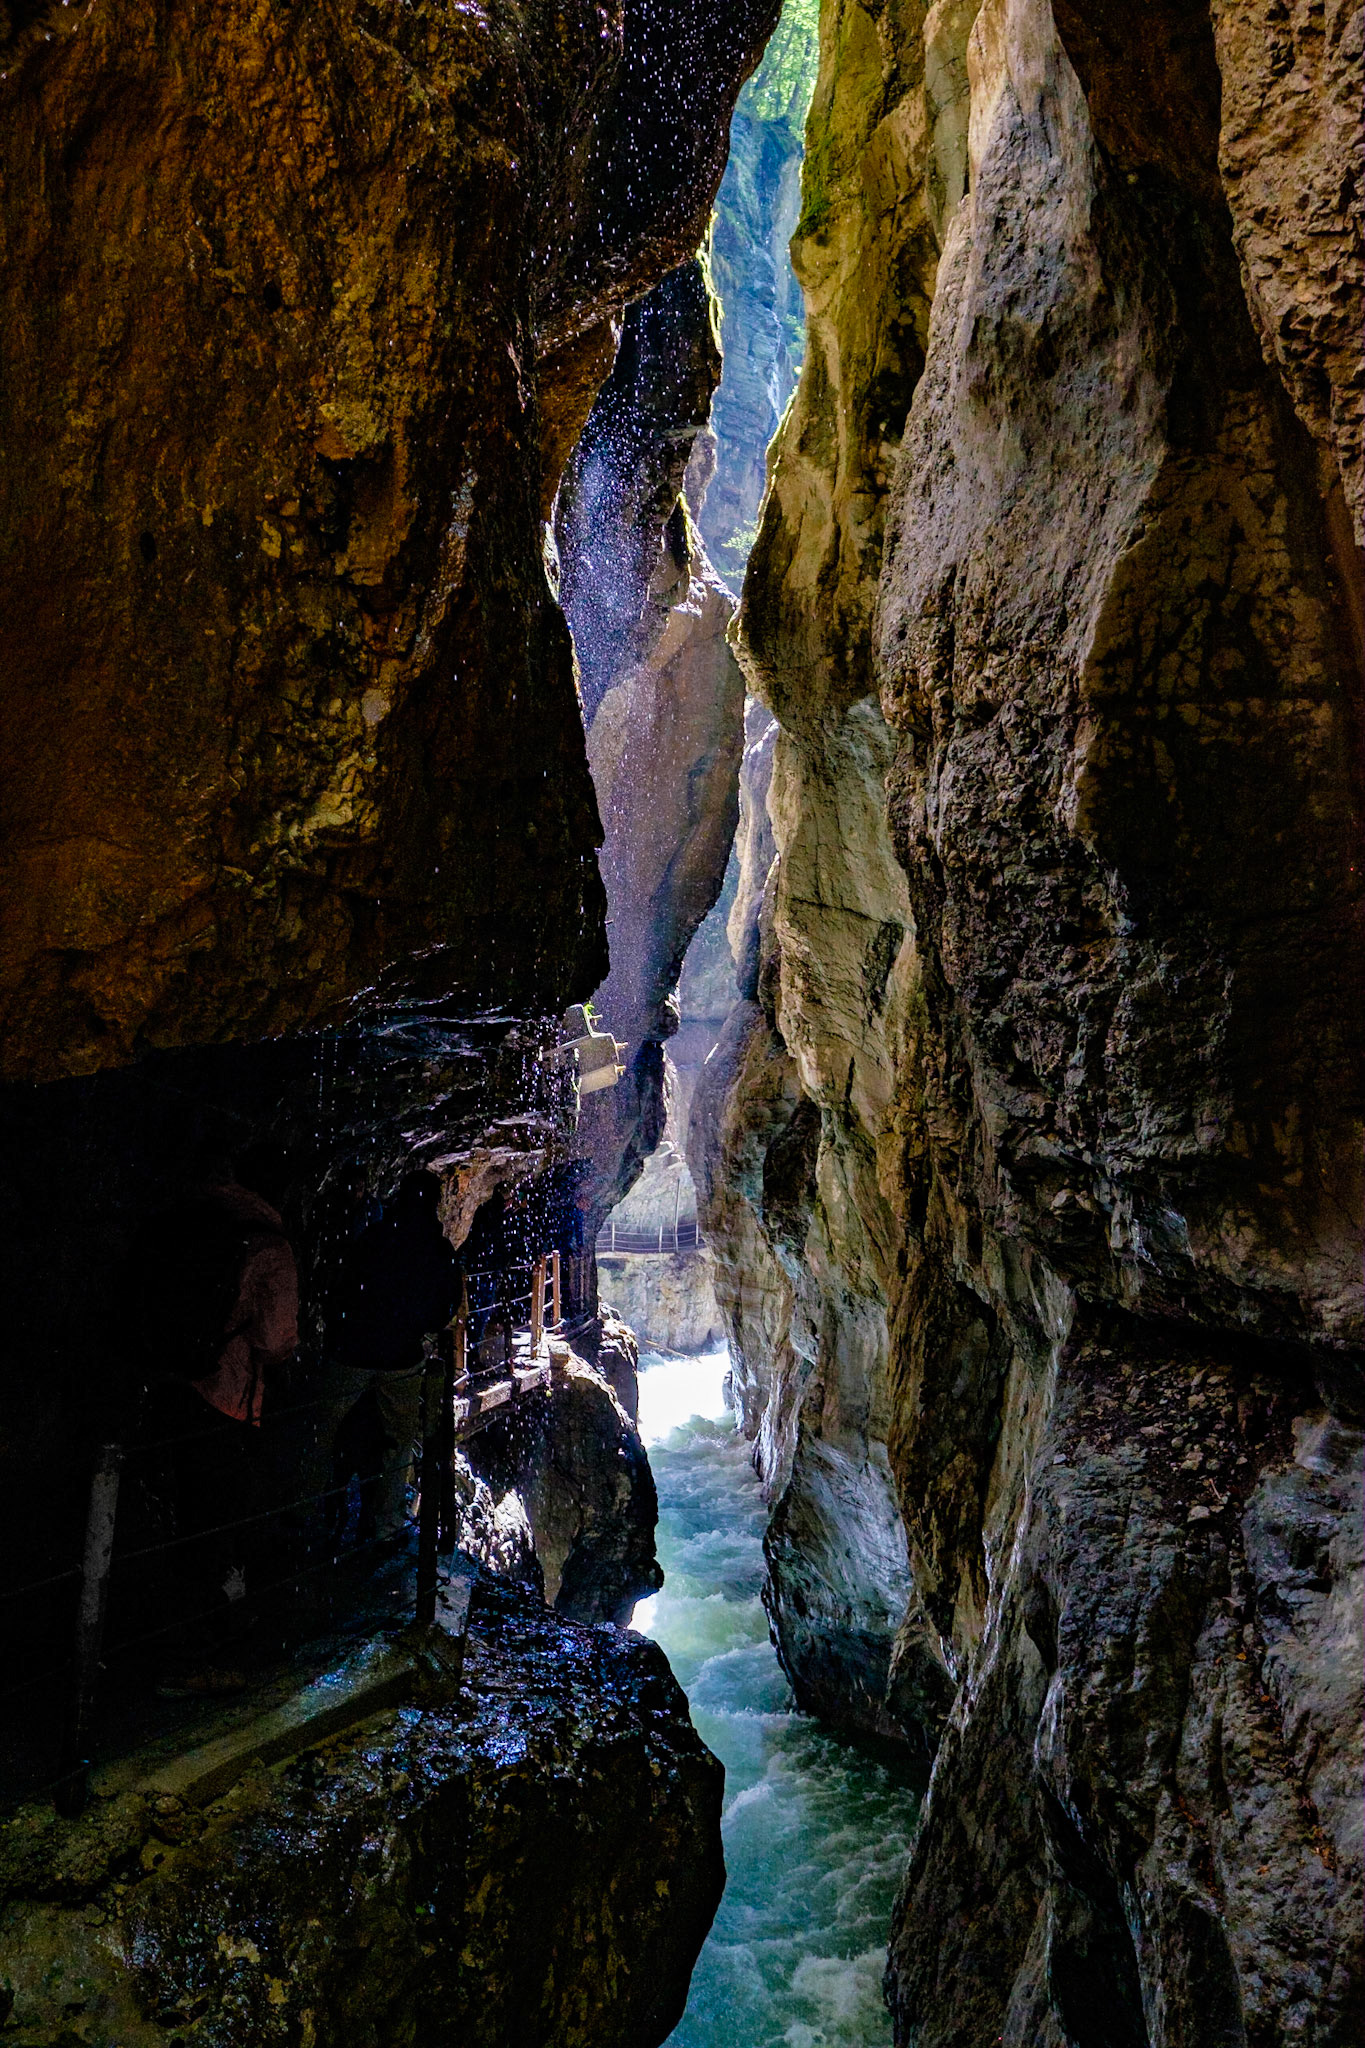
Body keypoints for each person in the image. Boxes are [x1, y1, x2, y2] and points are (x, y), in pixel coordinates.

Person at [130, 1162, 300, 1695]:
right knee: (212, 1523)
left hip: (174, 1380)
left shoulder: (201, 1219)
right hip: (224, 1394)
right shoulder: (272, 1248)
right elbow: (276, 1340)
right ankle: (188, 1660)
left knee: (184, 1515)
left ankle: (187, 1634)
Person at [313, 1172, 460, 1548]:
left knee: (322, 1427)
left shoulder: (374, 1237)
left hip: (351, 1349)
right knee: (399, 1438)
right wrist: (412, 1326)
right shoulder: (436, 1249)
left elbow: (342, 1286)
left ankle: (302, 1514)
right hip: (400, 1356)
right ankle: (384, 1520)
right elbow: (445, 1307)